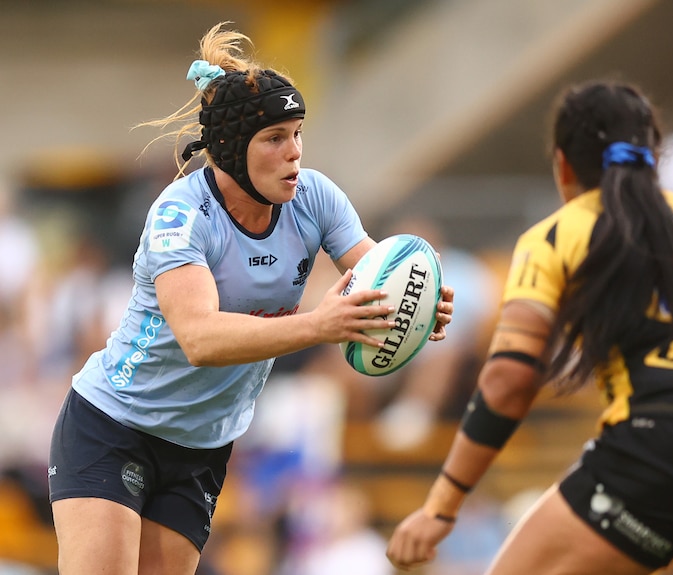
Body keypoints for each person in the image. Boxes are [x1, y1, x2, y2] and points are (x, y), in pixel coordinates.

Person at [386, 80, 673, 575]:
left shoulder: (559, 232)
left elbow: (510, 379)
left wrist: (441, 507)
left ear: (563, 165)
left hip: (662, 453)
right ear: (655, 158)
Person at [46, 22, 453, 575]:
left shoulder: (315, 197)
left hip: (201, 446)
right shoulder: (181, 215)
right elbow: (200, 339)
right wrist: (319, 325)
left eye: (298, 133)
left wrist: (417, 303)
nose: (295, 153)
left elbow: (377, 278)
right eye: (274, 138)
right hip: (114, 425)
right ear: (232, 149)